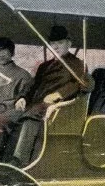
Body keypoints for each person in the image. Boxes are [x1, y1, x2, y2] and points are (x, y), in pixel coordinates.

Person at [9, 25, 93, 166]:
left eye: (60, 42)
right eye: (53, 43)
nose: (56, 46)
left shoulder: (77, 64)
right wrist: (22, 97)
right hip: (34, 105)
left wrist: (58, 94)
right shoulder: (44, 66)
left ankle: (19, 161)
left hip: (55, 109)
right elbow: (31, 85)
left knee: (31, 116)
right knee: (4, 119)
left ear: (69, 44)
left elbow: (82, 85)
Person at [0, 37, 32, 162]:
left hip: (10, 113)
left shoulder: (23, 75)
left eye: (5, 50)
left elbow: (24, 101)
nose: (1, 54)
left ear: (12, 52)